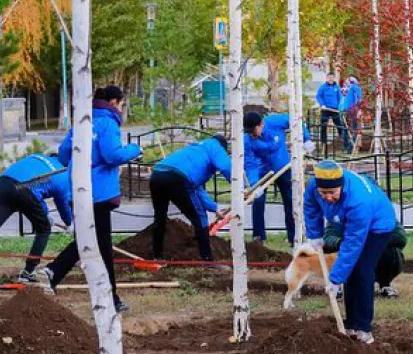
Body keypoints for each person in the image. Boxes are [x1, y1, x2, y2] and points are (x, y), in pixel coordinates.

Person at [41, 86, 142, 312]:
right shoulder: (108, 122)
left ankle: (57, 275)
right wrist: (135, 149)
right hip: (99, 193)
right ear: (115, 101)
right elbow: (112, 154)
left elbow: (65, 154)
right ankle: (56, 273)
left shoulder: (81, 122)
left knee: (91, 241)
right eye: (122, 104)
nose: (121, 108)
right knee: (98, 245)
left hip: (77, 190)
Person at [303, 160, 399, 344]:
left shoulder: (359, 201)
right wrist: (315, 234)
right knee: (351, 270)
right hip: (349, 220)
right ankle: (350, 323)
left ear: (341, 186)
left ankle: (363, 327)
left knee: (362, 269)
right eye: (324, 193)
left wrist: (336, 278)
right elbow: (311, 207)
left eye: (332, 192)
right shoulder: (313, 186)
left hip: (377, 226)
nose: (328, 197)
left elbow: (352, 244)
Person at [0, 151, 72, 284]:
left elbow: (36, 186)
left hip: (3, 184)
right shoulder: (63, 174)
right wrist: (69, 223)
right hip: (25, 191)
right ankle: (28, 272)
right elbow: (63, 205)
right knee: (44, 229)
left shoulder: (37, 156)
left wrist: (45, 211)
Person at [149, 131, 232, 260]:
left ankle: (157, 256)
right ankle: (207, 260)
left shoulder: (196, 149)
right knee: (200, 218)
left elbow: (197, 189)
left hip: (157, 175)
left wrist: (214, 208)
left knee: (160, 217)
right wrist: (240, 187)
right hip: (177, 178)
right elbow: (226, 167)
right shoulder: (216, 147)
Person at [247, 109, 311, 244]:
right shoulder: (247, 140)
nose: (251, 134)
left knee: (290, 200)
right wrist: (254, 184)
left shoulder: (274, 122)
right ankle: (258, 237)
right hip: (262, 172)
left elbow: (296, 119)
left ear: (261, 125)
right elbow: (250, 164)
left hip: (283, 167)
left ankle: (294, 237)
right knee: (258, 200)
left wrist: (306, 139)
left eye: (253, 131)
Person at [316, 72, 350, 153]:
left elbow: (340, 97)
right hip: (325, 109)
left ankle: (343, 143)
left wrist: (339, 106)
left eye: (332, 77)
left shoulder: (336, 87)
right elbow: (318, 96)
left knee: (339, 126)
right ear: (327, 78)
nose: (331, 79)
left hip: (334, 109)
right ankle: (323, 144)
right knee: (323, 126)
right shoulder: (322, 87)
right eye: (329, 77)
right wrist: (322, 104)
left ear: (334, 78)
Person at [341, 76, 364, 143]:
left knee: (345, 128)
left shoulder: (343, 88)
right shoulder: (354, 86)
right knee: (353, 128)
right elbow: (359, 97)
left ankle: (347, 145)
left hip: (343, 110)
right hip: (351, 110)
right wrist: (359, 108)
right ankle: (351, 145)